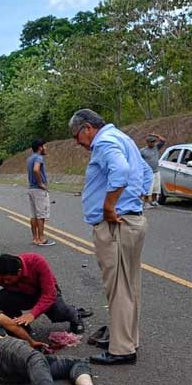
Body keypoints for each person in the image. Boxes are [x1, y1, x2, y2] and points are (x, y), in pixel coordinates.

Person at [69, 108, 152, 365]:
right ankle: (127, 338)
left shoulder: (104, 142)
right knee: (129, 286)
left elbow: (121, 170)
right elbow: (146, 173)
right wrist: (132, 199)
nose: (77, 142)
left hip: (116, 225)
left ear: (87, 128)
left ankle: (123, 349)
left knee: (118, 288)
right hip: (132, 219)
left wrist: (110, 205)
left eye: (76, 135)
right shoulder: (122, 138)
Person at [0, 253, 87, 334]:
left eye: (8, 279)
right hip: (21, 295)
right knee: (2, 298)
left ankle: (75, 315)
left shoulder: (37, 262)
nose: (5, 282)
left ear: (19, 272)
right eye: (2, 279)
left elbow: (49, 295)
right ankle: (21, 327)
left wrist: (32, 315)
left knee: (59, 313)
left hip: (44, 293)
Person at [26, 139, 55, 246]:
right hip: (38, 190)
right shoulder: (39, 157)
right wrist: (41, 183)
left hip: (31, 189)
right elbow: (36, 169)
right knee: (41, 215)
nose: (45, 148)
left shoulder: (29, 159)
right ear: (40, 147)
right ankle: (41, 238)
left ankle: (35, 238)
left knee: (33, 215)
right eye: (44, 146)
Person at [140, 133, 166, 207]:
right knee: (148, 188)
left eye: (154, 141)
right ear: (147, 142)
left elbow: (163, 141)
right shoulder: (143, 151)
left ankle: (154, 201)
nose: (153, 143)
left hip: (156, 171)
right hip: (148, 172)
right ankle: (146, 202)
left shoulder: (156, 147)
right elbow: (139, 160)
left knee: (156, 188)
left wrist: (156, 135)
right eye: (151, 142)